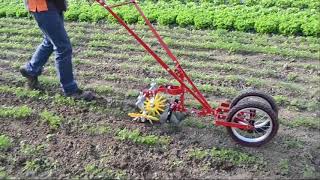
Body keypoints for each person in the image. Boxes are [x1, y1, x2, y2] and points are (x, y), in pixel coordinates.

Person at [21, 0, 94, 100]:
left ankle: (31, 70)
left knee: (50, 41)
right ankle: (71, 90)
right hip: (42, 6)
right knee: (63, 47)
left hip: (53, 5)